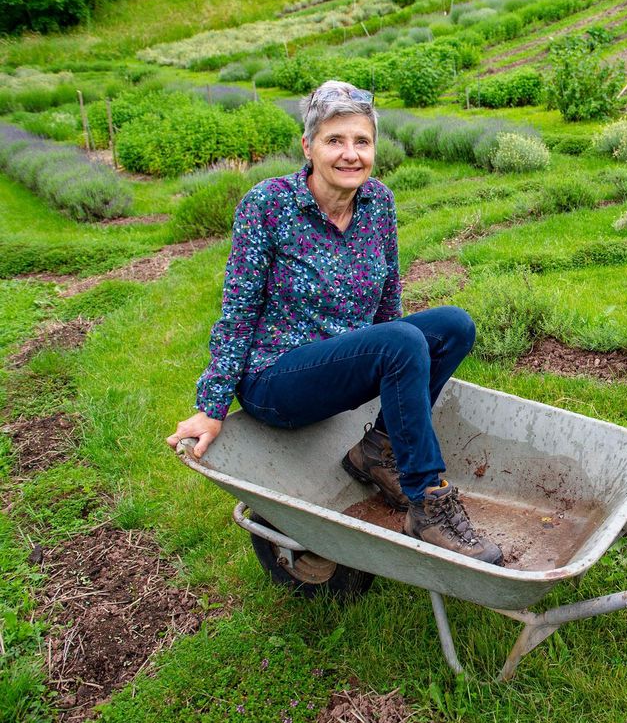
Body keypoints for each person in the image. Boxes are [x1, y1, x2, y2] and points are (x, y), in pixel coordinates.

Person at [166, 80, 501, 565]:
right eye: (334, 140)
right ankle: (427, 503)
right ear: (308, 146)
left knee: (453, 325)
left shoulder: (377, 202)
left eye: (361, 141)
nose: (350, 154)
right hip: (276, 379)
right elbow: (237, 313)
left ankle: (378, 451)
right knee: (400, 342)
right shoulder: (268, 206)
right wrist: (211, 406)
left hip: (342, 364)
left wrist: (399, 372)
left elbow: (389, 299)